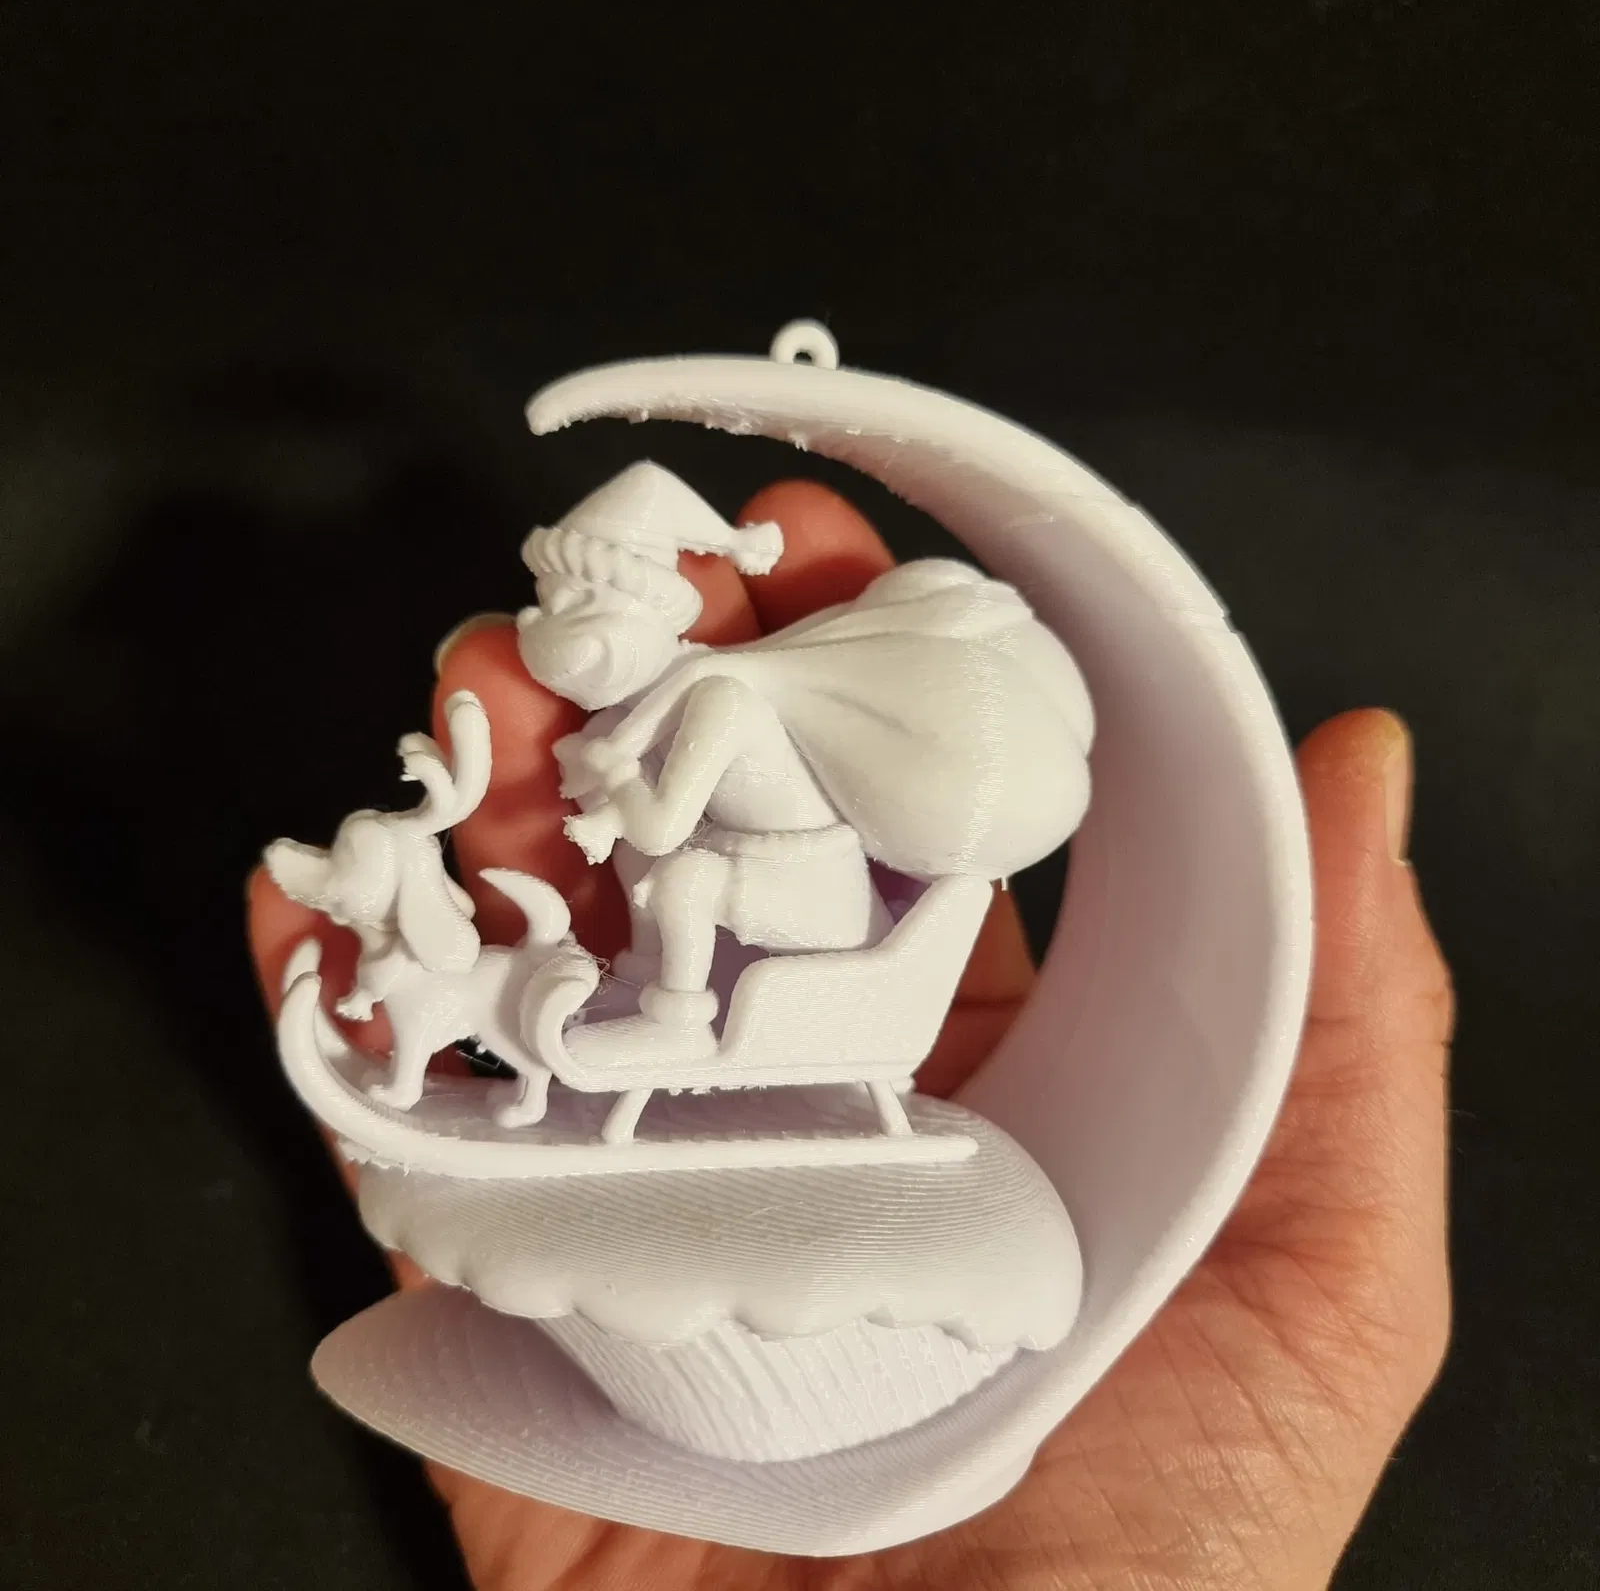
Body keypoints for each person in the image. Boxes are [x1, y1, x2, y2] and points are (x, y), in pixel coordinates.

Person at [248, 480, 1454, 1591]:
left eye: (580, 609)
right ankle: (638, 1015)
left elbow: (664, 822)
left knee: (677, 880)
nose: (558, 637)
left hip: (806, 896)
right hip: (747, 882)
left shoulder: (717, 694)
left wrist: (614, 797)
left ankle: (674, 1019)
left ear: (647, 614)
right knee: (667, 890)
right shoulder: (676, 695)